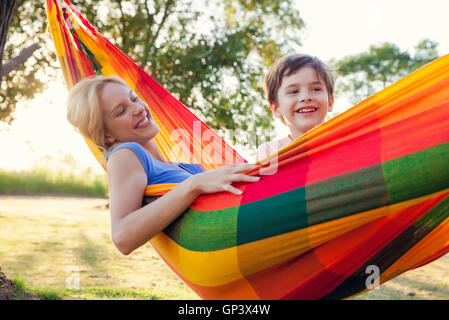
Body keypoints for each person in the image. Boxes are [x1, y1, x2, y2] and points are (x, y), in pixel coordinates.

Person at [66, 75, 260, 255]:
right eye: (121, 111)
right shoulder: (125, 154)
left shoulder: (180, 166)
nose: (139, 108)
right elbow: (122, 237)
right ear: (108, 135)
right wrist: (194, 185)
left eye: (134, 99)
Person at [256, 54, 335, 161]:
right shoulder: (270, 153)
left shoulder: (349, 141)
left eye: (316, 89)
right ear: (276, 109)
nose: (305, 97)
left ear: (330, 102)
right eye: (293, 91)